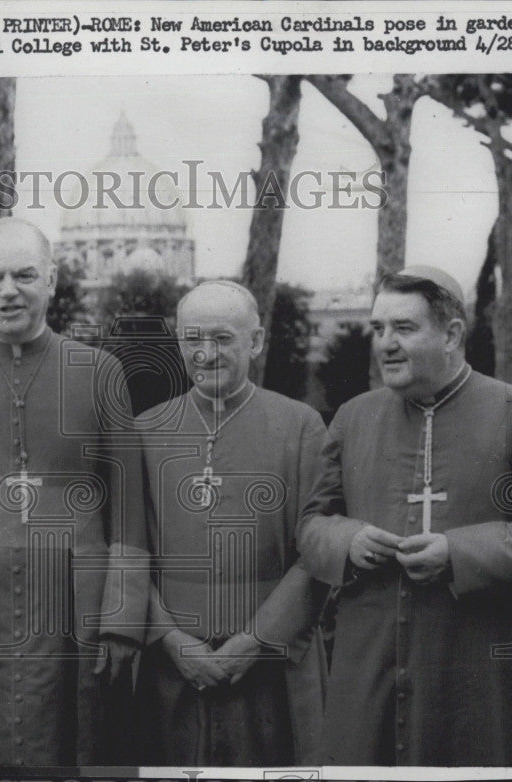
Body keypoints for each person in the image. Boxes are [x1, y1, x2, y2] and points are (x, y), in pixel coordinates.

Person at [298, 266, 512, 766]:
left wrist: (459, 552)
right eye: (378, 328)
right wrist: (349, 539)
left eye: (403, 328)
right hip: (368, 665)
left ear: (452, 334)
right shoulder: (353, 417)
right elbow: (311, 525)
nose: (385, 343)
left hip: (481, 664)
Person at [0, 217, 148, 767]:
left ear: (53, 280)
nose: (7, 290)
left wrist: (123, 622)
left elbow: (130, 514)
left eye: (24, 275)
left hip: (77, 606)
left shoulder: (100, 372)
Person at [135, 280, 329, 766]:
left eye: (222, 339)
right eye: (192, 339)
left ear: (256, 341)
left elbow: (319, 549)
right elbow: (125, 551)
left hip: (273, 663)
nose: (205, 354)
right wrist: (170, 639)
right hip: (170, 666)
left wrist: (256, 639)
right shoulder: (145, 429)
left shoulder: (300, 426)